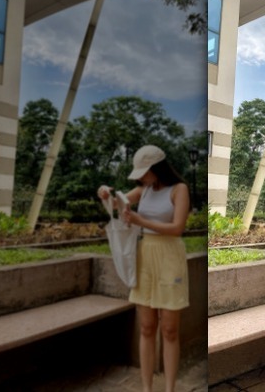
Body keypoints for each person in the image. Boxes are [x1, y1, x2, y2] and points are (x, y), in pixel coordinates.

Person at [97, 145, 190, 392]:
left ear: (157, 168)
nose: (140, 177)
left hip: (170, 256)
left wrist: (141, 221)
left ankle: (169, 388)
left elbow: (177, 228)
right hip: (145, 256)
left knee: (170, 329)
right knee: (147, 326)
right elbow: (120, 203)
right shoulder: (144, 190)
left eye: (144, 172)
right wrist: (106, 193)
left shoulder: (179, 189)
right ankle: (147, 388)